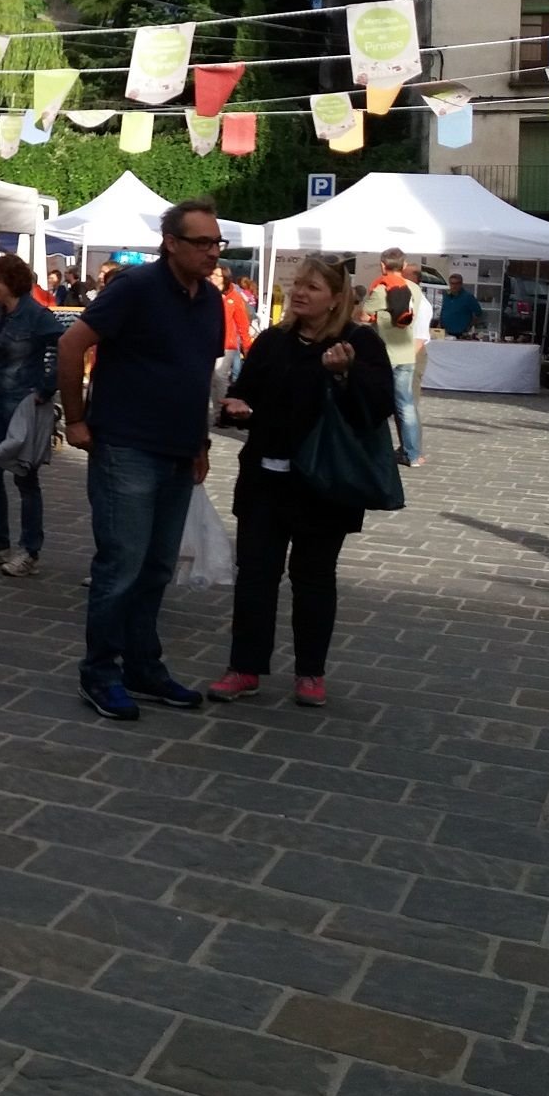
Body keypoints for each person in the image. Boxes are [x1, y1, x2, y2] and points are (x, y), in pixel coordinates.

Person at [57, 199, 226, 721]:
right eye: (202, 242)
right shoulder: (135, 287)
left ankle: (142, 665)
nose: (213, 252)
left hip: (177, 450)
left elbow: (198, 375)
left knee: (156, 568)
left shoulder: (211, 301)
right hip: (126, 447)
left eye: (217, 243)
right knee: (122, 565)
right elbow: (72, 345)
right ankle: (99, 672)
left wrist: (200, 442)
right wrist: (76, 418)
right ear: (171, 243)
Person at [209, 255, 394, 708]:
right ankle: (244, 667)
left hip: (324, 485)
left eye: (312, 287)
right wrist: (236, 407)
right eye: (297, 284)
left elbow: (377, 408)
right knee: (255, 576)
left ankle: (311, 672)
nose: (299, 293)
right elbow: (245, 391)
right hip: (265, 479)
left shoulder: (358, 343)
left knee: (314, 578)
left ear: (335, 297)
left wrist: (345, 374)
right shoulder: (274, 340)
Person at [0, 253, 63, 578]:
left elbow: (60, 347)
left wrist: (45, 389)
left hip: (24, 405)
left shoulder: (36, 315)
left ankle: (30, 550)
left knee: (25, 477)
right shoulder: (1, 313)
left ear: (11, 281)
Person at [360, 248, 424, 469]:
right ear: (404, 266)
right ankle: (412, 454)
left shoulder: (381, 289)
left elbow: (362, 316)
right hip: (406, 353)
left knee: (373, 402)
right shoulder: (415, 289)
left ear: (382, 265)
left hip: (384, 354)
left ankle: (371, 449)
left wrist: (377, 317)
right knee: (406, 405)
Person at [212, 263, 255, 408]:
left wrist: (247, 346)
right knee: (208, 379)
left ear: (224, 278)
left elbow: (242, 323)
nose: (213, 277)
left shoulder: (234, 297)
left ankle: (222, 410)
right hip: (207, 343)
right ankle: (211, 413)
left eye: (217, 275)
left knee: (220, 376)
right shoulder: (205, 293)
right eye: (212, 274)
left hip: (227, 344)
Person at [439, 273, 484, 339]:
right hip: (445, 333)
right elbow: (443, 311)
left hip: (461, 334)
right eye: (452, 283)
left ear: (461, 284)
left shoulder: (468, 297)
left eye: (457, 283)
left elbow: (478, 313)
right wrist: (440, 324)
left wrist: (469, 326)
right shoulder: (446, 296)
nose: (454, 286)